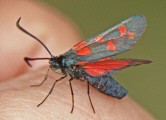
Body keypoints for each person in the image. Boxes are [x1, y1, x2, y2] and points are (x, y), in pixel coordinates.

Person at [0, 1, 155, 119]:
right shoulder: (68, 57)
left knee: (63, 80)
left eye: (55, 63)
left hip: (100, 79)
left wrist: (75, 102)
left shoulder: (73, 57)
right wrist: (41, 82)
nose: (52, 64)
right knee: (65, 79)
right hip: (89, 72)